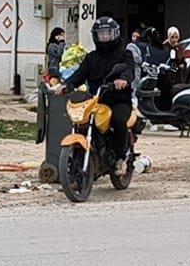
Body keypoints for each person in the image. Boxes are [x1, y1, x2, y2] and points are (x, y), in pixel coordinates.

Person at [55, 17, 137, 176]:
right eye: (101, 34)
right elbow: (79, 74)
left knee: (118, 119)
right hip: (96, 100)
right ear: (96, 36)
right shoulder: (91, 57)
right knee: (82, 121)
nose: (105, 37)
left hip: (118, 99)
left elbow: (129, 70)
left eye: (108, 34)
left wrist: (123, 80)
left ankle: (120, 158)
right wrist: (66, 85)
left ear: (115, 34)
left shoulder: (124, 54)